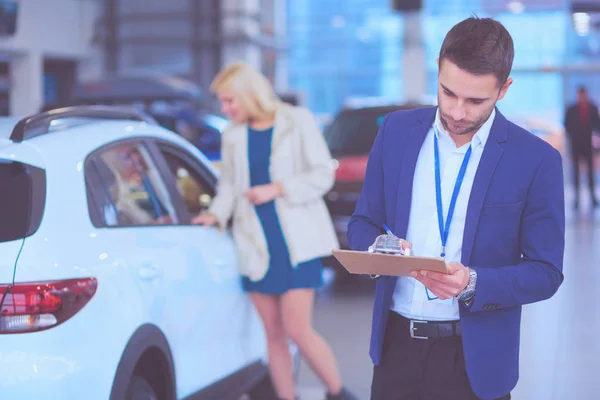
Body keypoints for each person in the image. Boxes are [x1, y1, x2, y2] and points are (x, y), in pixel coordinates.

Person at [347, 17, 565, 400]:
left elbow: (546, 272)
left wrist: (473, 283)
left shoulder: (536, 160)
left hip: (475, 361)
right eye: (448, 93)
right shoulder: (396, 131)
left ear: (504, 89)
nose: (458, 112)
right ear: (438, 69)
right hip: (396, 350)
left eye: (475, 100)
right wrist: (380, 248)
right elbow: (363, 221)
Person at [192, 62, 356, 400]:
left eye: (229, 101)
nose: (225, 109)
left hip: (296, 241)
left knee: (298, 329)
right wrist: (213, 215)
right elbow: (228, 187)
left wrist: (278, 188)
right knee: (273, 334)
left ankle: (339, 393)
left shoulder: (297, 121)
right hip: (254, 243)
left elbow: (322, 175)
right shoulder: (233, 134)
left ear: (248, 95)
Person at [564, 86, 600, 209]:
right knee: (576, 173)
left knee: (590, 173)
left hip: (588, 145)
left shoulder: (593, 108)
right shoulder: (571, 109)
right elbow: (567, 125)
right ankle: (576, 199)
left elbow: (597, 127)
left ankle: (593, 197)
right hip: (576, 145)